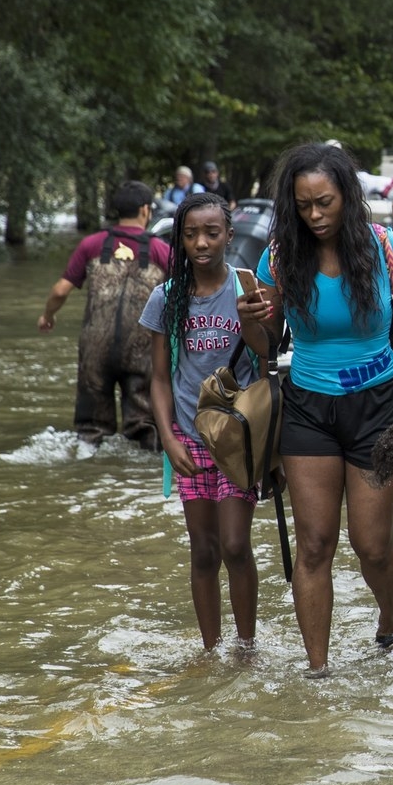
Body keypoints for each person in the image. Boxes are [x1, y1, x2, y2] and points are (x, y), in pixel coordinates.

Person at [239, 141, 393, 676]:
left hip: (377, 406)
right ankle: (318, 673)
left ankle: (388, 617)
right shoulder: (278, 257)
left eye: (324, 202)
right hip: (307, 407)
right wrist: (251, 316)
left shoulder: (390, 250)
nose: (315, 215)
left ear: (347, 196)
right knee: (315, 544)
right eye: (303, 206)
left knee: (372, 547)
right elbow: (266, 344)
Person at [139, 194, 259, 650]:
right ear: (179, 240)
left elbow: (266, 362)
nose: (201, 243)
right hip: (189, 441)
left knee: (233, 545)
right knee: (204, 550)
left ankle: (246, 648)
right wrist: (167, 437)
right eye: (191, 235)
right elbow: (159, 377)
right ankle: (211, 650)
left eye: (212, 233)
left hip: (239, 441)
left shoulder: (247, 288)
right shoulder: (165, 297)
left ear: (230, 235)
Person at [38, 181, 173, 449]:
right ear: (145, 210)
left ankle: (90, 468)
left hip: (94, 349)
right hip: (142, 350)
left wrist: (47, 316)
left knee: (91, 432)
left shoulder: (92, 244)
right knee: (145, 429)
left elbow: (60, 290)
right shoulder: (161, 250)